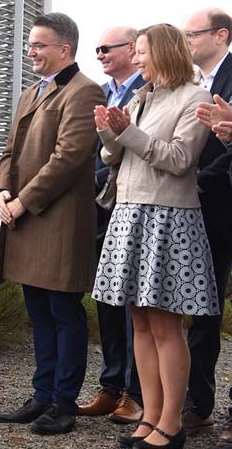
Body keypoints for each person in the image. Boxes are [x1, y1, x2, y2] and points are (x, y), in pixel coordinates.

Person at [93, 23, 218, 449]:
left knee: (165, 325)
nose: (137, 59)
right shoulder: (142, 97)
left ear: (162, 53)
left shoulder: (194, 98)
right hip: (130, 213)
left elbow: (181, 160)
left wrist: (127, 132)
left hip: (168, 219)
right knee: (140, 323)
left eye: (142, 52)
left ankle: (171, 424)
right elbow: (116, 155)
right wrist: (110, 131)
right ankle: (149, 417)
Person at [0, 12, 105, 435]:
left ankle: (63, 403)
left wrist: (23, 202)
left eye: (38, 45)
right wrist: (2, 192)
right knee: (38, 311)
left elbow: (68, 158)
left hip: (58, 220)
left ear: (65, 49)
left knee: (62, 310)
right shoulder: (30, 93)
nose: (31, 51)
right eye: (30, 44)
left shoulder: (84, 91)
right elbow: (9, 151)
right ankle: (41, 395)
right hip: (23, 215)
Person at [78, 26, 145, 423]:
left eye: (107, 48)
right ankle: (112, 385)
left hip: (136, 206)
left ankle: (136, 394)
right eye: (97, 49)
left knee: (136, 306)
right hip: (102, 208)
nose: (100, 54)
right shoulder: (102, 94)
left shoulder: (146, 91)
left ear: (132, 49)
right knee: (107, 298)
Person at [179, 8, 232, 438]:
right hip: (201, 211)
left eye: (192, 33)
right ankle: (198, 403)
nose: (186, 39)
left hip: (221, 198)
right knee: (203, 308)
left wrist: (197, 181)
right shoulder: (193, 86)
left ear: (221, 34)